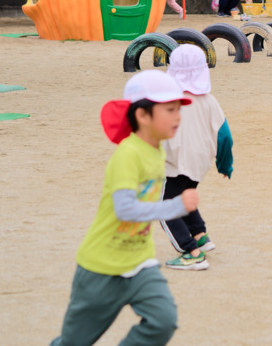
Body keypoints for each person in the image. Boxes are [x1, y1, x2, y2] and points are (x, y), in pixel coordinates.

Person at [51, 70, 197, 346]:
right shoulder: (128, 154)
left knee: (163, 321)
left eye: (178, 109)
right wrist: (175, 206)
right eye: (169, 109)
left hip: (140, 262)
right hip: (101, 267)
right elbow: (125, 209)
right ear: (142, 115)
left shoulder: (157, 149)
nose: (178, 115)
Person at [160, 45, 234, 271]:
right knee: (183, 195)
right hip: (201, 160)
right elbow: (224, 136)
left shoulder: (166, 100)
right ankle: (200, 236)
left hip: (177, 161)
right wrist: (225, 164)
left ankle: (191, 252)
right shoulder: (209, 100)